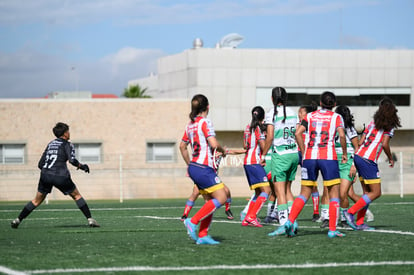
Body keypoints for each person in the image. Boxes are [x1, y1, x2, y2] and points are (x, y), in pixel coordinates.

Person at [11, 122, 99, 229]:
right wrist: (83, 166)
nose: (69, 133)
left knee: (36, 201)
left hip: (45, 175)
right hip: (60, 176)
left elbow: (40, 164)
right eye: (68, 131)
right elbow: (72, 160)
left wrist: (48, 173)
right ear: (65, 134)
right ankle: (90, 220)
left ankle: (18, 220)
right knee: (76, 196)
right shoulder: (67, 144)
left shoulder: (50, 144)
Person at [288, 91, 347, 238]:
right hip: (328, 158)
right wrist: (345, 153)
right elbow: (341, 135)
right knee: (334, 193)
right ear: (334, 104)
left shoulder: (310, 116)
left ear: (320, 103)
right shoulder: (337, 117)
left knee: (304, 193)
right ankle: (332, 230)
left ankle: (289, 222)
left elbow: (297, 134)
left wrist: (304, 151)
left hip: (310, 158)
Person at [343, 97, 401, 231]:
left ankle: (360, 222)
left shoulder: (372, 123)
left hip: (359, 157)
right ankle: (350, 212)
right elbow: (385, 144)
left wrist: (354, 160)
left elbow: (362, 140)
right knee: (376, 192)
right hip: (368, 160)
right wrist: (390, 158)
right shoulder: (389, 126)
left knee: (367, 193)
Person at [180, 94, 228, 245]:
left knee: (210, 201)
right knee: (222, 197)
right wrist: (223, 150)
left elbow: (182, 146)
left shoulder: (189, 125)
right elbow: (213, 144)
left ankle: (203, 235)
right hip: (203, 167)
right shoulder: (205, 122)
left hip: (194, 167)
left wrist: (190, 164)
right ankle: (192, 222)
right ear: (207, 107)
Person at [261, 87, 300, 237]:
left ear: (272, 99)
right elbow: (297, 133)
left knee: (279, 192)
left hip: (281, 155)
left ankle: (284, 225)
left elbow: (269, 137)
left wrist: (263, 155)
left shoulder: (271, 114)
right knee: (288, 190)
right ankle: (293, 221)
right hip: (293, 154)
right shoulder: (292, 113)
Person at [241, 106, 272, 227]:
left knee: (259, 192)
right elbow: (263, 146)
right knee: (267, 190)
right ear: (263, 117)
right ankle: (251, 216)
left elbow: (245, 145)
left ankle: (247, 217)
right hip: (254, 162)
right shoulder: (258, 128)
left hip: (247, 162)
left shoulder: (247, 128)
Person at [334, 105, 360, 228]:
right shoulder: (333, 128)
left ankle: (345, 219)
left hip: (347, 162)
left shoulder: (350, 129)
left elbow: (357, 148)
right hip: (334, 161)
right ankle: (332, 218)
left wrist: (354, 166)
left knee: (343, 193)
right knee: (337, 193)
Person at [298, 103, 321, 223]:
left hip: (305, 155)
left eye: (301, 113)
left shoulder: (311, 125)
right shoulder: (297, 125)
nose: (299, 115)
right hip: (294, 154)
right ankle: (277, 211)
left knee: (311, 185)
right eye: (299, 113)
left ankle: (316, 212)